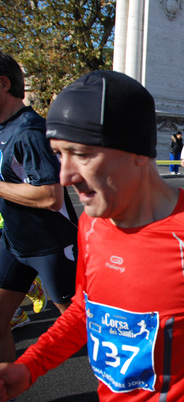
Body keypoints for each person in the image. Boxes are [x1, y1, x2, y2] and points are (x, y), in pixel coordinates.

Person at [0, 71, 184, 402]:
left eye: (81, 154)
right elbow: (85, 309)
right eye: (58, 154)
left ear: (137, 152)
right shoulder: (90, 224)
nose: (65, 176)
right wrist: (28, 367)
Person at [0, 51, 78, 366]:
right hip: (14, 242)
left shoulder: (29, 130)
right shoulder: (4, 128)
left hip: (52, 246)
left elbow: (50, 196)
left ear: (3, 84)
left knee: (88, 334)